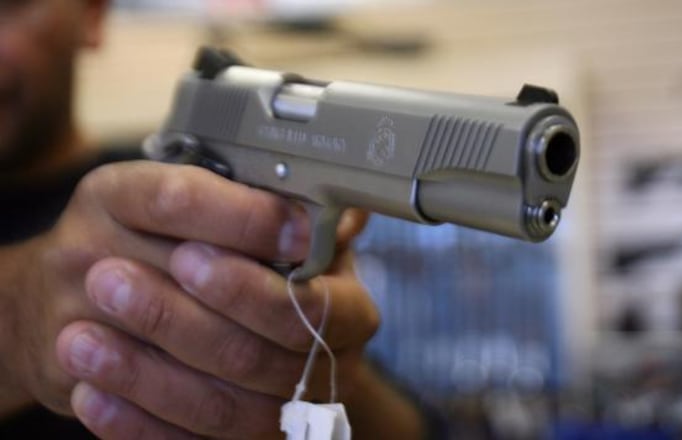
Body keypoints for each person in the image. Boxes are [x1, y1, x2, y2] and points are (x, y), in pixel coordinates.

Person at [0, 0, 432, 438]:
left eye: (9, 8)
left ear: (91, 14)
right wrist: (18, 321)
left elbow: (412, 430)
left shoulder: (187, 196)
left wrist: (313, 367)